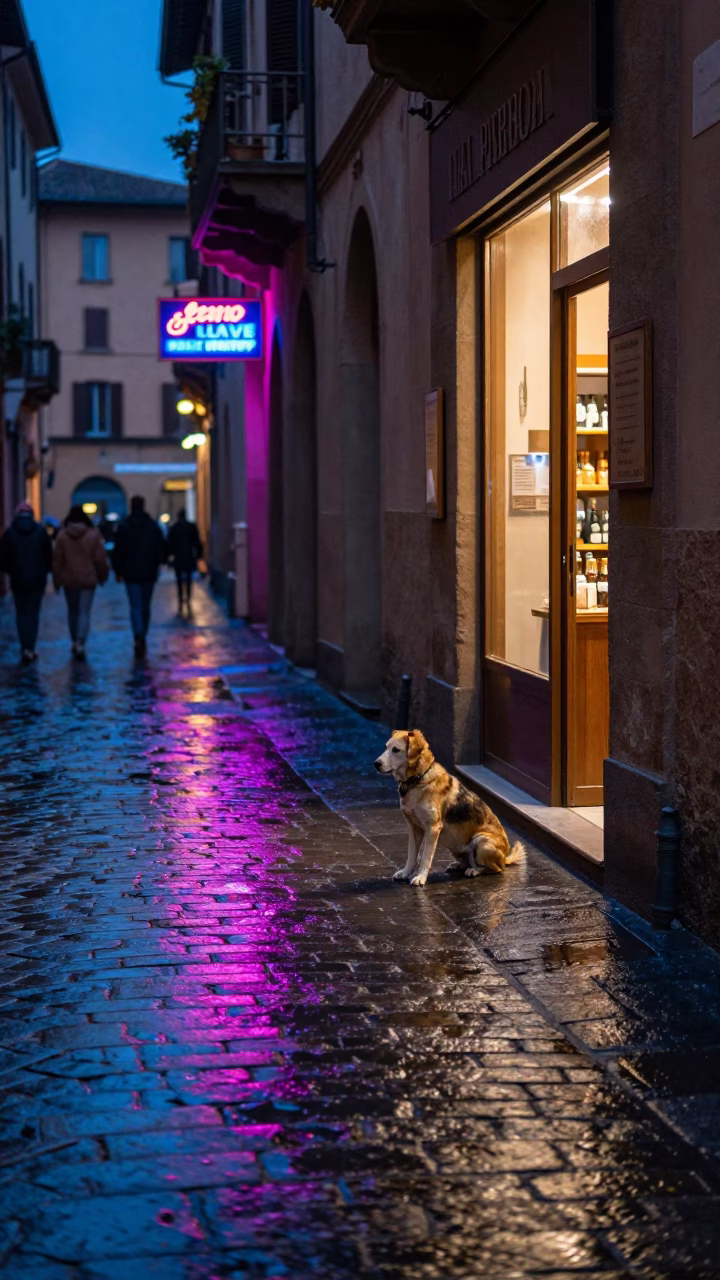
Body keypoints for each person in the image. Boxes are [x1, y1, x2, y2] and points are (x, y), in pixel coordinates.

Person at [111, 495, 166, 656]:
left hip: (131, 572)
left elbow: (118, 551)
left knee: (135, 605)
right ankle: (143, 633)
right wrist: (159, 563)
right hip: (148, 571)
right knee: (145, 605)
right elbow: (160, 548)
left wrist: (118, 571)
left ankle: (138, 635)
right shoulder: (152, 526)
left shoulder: (125, 526)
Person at [52, 505, 109, 658]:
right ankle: (80, 642)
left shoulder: (62, 536)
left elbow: (57, 561)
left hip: (68, 579)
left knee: (72, 611)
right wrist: (102, 576)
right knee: (84, 612)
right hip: (88, 578)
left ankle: (74, 640)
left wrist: (57, 580)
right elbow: (100, 559)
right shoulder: (93, 535)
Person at [0, 501, 53, 663]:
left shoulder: (9, 533)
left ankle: (24, 647)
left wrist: (12, 571)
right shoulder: (41, 532)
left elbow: (3, 559)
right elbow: (49, 557)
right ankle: (30, 647)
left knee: (21, 613)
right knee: (33, 613)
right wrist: (45, 571)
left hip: (18, 579)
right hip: (37, 579)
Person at [166, 508, 202, 614]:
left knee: (179, 580)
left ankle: (181, 600)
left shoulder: (175, 528)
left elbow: (169, 543)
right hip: (188, 556)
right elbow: (197, 542)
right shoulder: (191, 527)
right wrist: (199, 555)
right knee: (189, 580)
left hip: (178, 557)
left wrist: (168, 557)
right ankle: (188, 599)